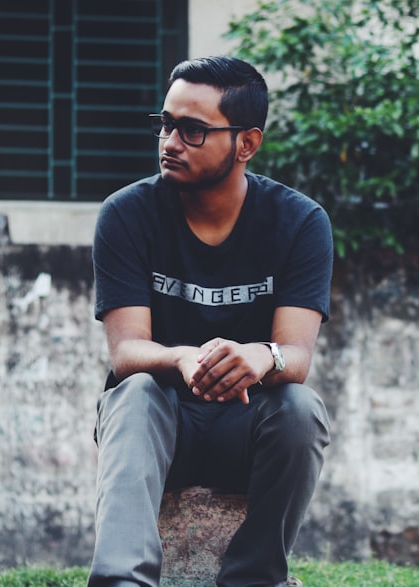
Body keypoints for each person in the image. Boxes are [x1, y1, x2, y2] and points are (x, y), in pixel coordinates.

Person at [88, 55, 333, 587]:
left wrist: (260, 356)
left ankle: (254, 578)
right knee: (133, 392)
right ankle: (121, 582)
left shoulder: (300, 222)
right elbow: (126, 350)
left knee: (301, 408)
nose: (170, 141)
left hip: (246, 431)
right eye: (166, 124)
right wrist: (180, 357)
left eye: (193, 130)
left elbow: (297, 357)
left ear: (246, 143)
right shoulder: (126, 214)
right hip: (158, 429)